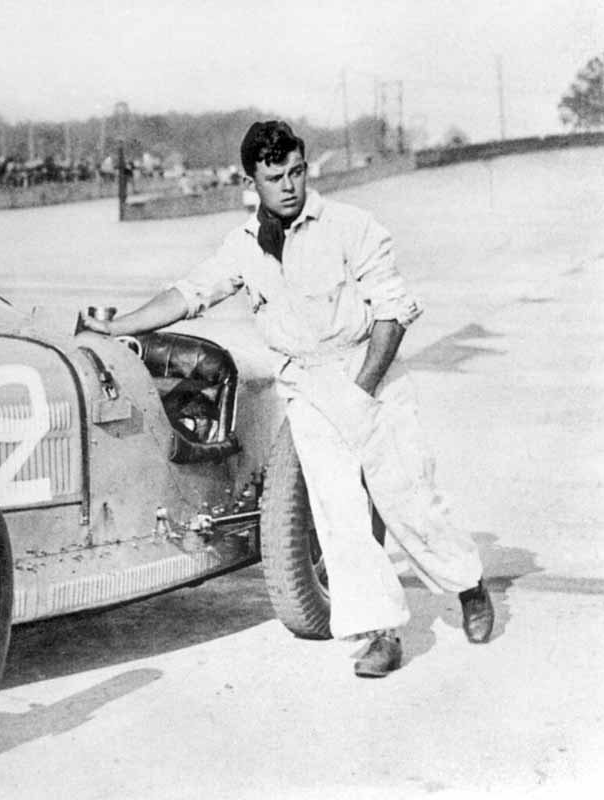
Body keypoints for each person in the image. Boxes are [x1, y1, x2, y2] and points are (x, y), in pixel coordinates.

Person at [81, 120, 494, 678]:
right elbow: (189, 293)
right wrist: (118, 327)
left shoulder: (352, 227)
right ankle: (379, 632)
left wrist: (360, 391)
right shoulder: (244, 246)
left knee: (408, 500)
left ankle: (468, 585)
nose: (290, 186)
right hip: (305, 385)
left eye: (297, 172)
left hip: (368, 376)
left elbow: (393, 315)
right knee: (338, 514)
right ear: (251, 182)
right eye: (275, 178)